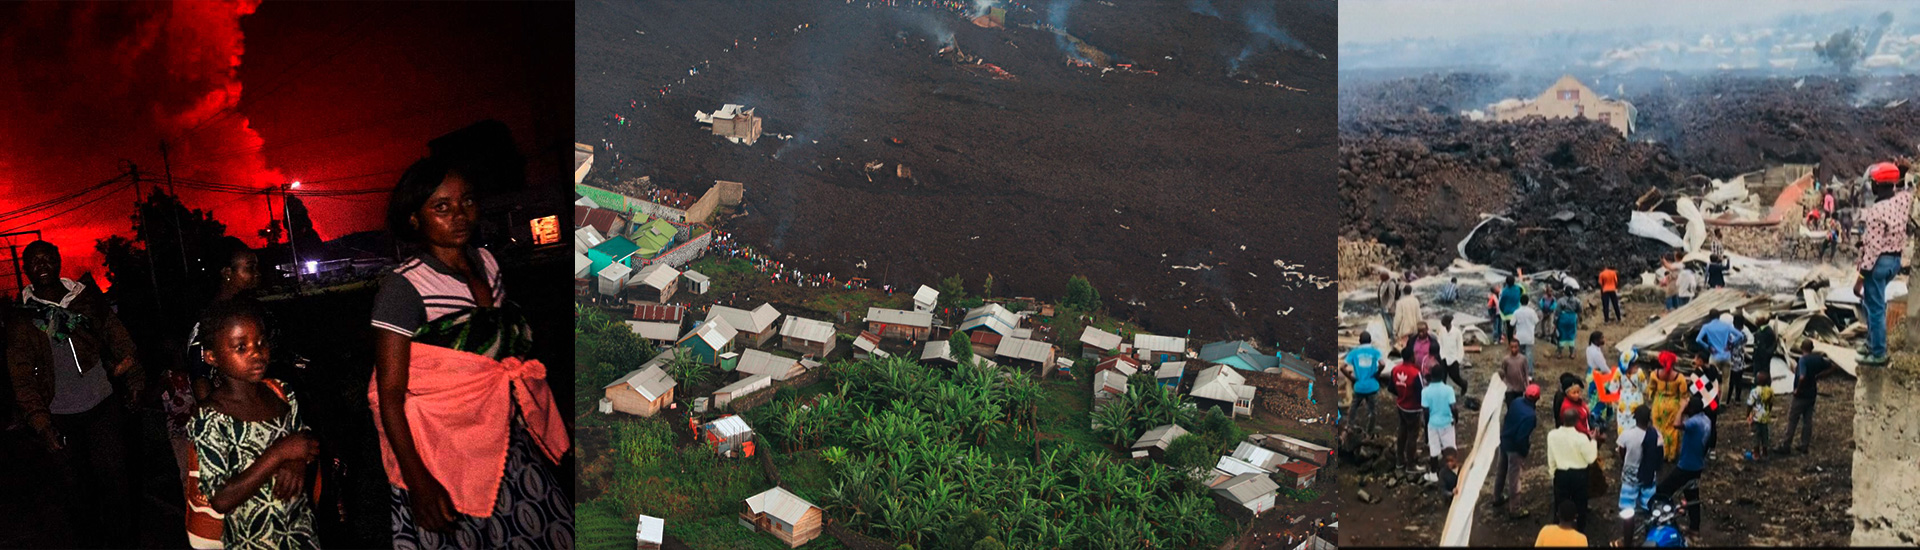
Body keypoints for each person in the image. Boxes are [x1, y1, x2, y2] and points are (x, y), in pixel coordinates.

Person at [370, 157, 573, 548]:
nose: (460, 215)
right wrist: (419, 482)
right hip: (442, 454)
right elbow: (389, 395)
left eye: (466, 201)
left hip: (504, 439)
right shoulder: (404, 287)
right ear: (414, 219)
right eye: (441, 207)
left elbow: (496, 360)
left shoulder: (488, 264)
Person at [6, 240, 142, 548]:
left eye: (47, 258)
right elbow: (21, 375)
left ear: (58, 260)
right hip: (59, 414)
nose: (42, 265)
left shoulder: (86, 298)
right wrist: (41, 423)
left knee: (116, 483)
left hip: (101, 403)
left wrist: (135, 380)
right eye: (34, 261)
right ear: (25, 269)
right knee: (76, 492)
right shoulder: (22, 318)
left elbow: (119, 338)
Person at [189, 300, 319, 548]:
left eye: (261, 343)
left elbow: (305, 441)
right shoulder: (210, 416)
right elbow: (220, 499)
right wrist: (279, 454)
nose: (257, 353)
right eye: (241, 347)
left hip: (301, 533)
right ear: (212, 357)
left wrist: (297, 462)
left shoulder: (282, 392)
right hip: (253, 541)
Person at [172, 236, 264, 549]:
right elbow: (199, 378)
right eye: (249, 268)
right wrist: (221, 430)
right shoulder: (211, 323)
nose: (256, 274)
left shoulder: (248, 312)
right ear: (227, 272)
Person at [1854, 161, 1911, 366]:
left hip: (1877, 264)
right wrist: (1901, 174)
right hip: (1894, 262)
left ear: (1876, 185)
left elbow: (1873, 250)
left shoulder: (1875, 212)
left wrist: (1860, 279)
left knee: (1876, 308)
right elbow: (1905, 190)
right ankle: (1871, 342)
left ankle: (1878, 352)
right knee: (1872, 303)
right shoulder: (1903, 200)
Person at [1655, 395, 1711, 532]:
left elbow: (1676, 424)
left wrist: (1681, 408)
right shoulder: (1706, 420)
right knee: (1692, 495)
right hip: (1697, 464)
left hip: (1686, 466)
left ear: (1691, 409)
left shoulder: (1694, 423)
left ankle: (1668, 519)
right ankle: (1694, 527)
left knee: (1663, 491)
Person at [1775, 341, 1839, 455]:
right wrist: (1819, 376)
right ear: (1812, 348)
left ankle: (1786, 445)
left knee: (1793, 419)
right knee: (1807, 420)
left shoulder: (1803, 360)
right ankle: (1804, 445)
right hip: (1811, 393)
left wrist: (1797, 389)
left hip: (1801, 395)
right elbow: (1833, 367)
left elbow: (1802, 377)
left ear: (1801, 348)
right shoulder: (1818, 359)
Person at [1492, 383, 1540, 518]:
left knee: (1501, 470)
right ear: (1537, 398)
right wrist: (1524, 451)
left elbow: (1506, 418)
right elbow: (1521, 438)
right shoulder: (1530, 416)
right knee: (1514, 478)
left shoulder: (1516, 402)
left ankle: (1497, 497)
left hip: (1505, 440)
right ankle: (1515, 508)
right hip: (1515, 448)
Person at [1546, 406, 1597, 531]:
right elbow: (1591, 458)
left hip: (1561, 473)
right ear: (1577, 421)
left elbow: (1551, 457)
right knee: (1580, 504)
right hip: (1579, 475)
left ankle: (1559, 529)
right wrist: (1593, 441)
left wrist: (1553, 473)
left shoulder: (1552, 435)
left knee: (1560, 503)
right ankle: (1579, 529)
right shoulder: (1581, 438)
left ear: (1562, 419)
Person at [1618, 404, 1663, 514]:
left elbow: (1621, 451)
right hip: (1649, 475)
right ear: (1649, 418)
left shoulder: (1626, 435)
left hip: (1630, 475)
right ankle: (1648, 523)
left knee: (1627, 509)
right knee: (1649, 505)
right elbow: (1659, 455)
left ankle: (1629, 525)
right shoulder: (1656, 435)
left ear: (1635, 418)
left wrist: (1626, 461)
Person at [1390, 352, 1427, 472]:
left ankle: (1400, 461)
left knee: (1402, 431)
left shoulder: (1395, 369)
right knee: (1412, 435)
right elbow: (1421, 392)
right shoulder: (1415, 373)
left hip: (1401, 406)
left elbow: (1391, 388)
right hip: (1413, 408)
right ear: (1412, 357)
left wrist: (1402, 395)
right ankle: (1411, 465)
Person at [1648, 351, 1689, 462]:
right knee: (1672, 430)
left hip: (1659, 404)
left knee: (1658, 428)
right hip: (1673, 405)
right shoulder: (1679, 377)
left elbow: (1651, 390)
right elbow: (1684, 395)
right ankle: (1670, 455)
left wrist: (1654, 397)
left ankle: (1660, 452)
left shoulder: (1654, 375)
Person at [1345, 333, 1385, 440]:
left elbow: (1342, 367)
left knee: (1353, 407)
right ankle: (1369, 432)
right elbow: (1382, 364)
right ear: (1370, 340)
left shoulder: (1354, 352)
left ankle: (1349, 427)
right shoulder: (1375, 351)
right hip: (1372, 386)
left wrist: (1351, 378)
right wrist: (1377, 373)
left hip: (1359, 386)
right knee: (1372, 411)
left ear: (1359, 341)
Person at [1421, 362, 1459, 477]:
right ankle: (1453, 472)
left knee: (1434, 449)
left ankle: (1433, 474)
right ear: (1442, 375)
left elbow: (1425, 411)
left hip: (1433, 424)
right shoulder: (1448, 390)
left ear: (1431, 376)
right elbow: (1453, 407)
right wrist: (1456, 419)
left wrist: (1427, 424)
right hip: (1446, 423)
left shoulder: (1425, 391)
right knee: (1450, 448)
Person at [1586, 332, 1621, 434]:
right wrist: (1613, 375)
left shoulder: (1589, 349)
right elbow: (1604, 368)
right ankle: (1596, 419)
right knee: (1601, 397)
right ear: (1596, 340)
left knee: (1594, 396)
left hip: (1591, 373)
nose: (1603, 340)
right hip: (1599, 376)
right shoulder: (1596, 353)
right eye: (1601, 338)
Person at [1745, 313, 1778, 404]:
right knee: (1765, 375)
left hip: (1760, 359)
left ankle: (1757, 395)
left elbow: (1760, 347)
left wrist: (1764, 354)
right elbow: (1774, 343)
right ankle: (1766, 394)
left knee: (1759, 376)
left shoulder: (1762, 333)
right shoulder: (1769, 330)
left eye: (1757, 320)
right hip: (1764, 358)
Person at [1511, 295, 1542, 376]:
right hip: (1529, 336)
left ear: (1520, 302)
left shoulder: (1516, 312)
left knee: (1520, 355)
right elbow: (1536, 321)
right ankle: (1529, 374)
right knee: (1529, 355)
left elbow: (1511, 323)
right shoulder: (1532, 311)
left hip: (1519, 337)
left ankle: (1520, 372)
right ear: (1528, 302)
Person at [1748, 369, 1774, 462]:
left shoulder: (1754, 391)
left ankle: (1756, 454)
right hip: (1765, 417)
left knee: (1756, 435)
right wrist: (1768, 411)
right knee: (1764, 435)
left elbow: (1750, 404)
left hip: (1756, 417)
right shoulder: (1770, 391)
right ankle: (1765, 453)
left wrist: (1748, 414)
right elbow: (1771, 403)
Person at [1502, 339, 1530, 404]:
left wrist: (1527, 386)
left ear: (1518, 347)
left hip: (1520, 388)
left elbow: (1526, 373)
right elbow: (1503, 372)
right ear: (1509, 347)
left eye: (1515, 347)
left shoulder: (1523, 359)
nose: (1513, 349)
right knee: (1510, 405)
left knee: (1518, 405)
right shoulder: (1506, 360)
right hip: (1509, 388)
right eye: (1512, 347)